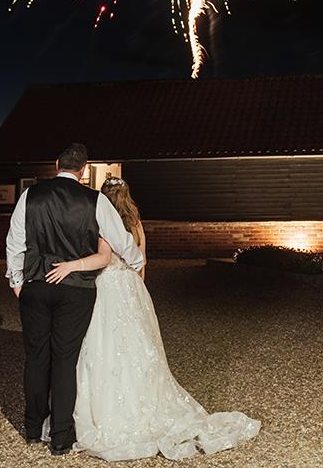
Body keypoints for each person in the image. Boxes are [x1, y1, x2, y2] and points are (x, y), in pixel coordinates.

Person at [45, 176, 260, 461]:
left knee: (101, 347)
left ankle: (100, 412)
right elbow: (141, 263)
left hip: (107, 287)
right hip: (131, 288)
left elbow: (103, 258)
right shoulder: (136, 225)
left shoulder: (103, 224)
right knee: (139, 349)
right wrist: (137, 295)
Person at [5, 144, 144, 456]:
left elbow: (15, 241)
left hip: (36, 285)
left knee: (37, 356)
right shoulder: (94, 200)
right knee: (65, 360)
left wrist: (17, 281)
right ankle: (60, 437)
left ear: (57, 164)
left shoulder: (31, 196)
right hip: (76, 290)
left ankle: (31, 428)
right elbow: (120, 239)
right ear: (83, 170)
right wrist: (135, 264)